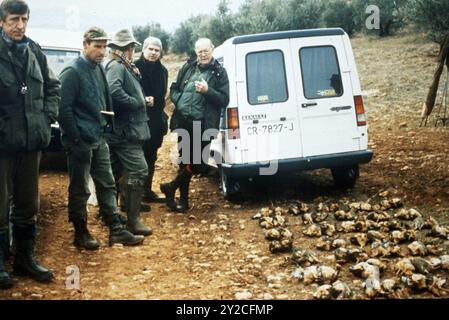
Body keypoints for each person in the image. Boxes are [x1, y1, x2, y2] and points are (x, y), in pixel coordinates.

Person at [58, 26, 145, 250]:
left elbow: (104, 100)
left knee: (107, 183)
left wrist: (106, 128)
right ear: (85, 45)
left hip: (99, 137)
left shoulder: (98, 69)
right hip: (80, 142)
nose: (102, 51)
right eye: (97, 46)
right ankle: (80, 231)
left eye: (105, 46)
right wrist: (76, 139)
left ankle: (115, 229)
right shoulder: (72, 71)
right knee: (80, 188)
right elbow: (63, 110)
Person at [0, 0, 58, 289]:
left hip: (31, 142)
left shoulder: (34, 50)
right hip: (3, 145)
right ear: (1, 22)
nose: (19, 25)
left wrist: (47, 118)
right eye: (13, 19)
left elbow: (53, 87)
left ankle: (24, 259)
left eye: (24, 19)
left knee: (27, 203)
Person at [160, 38, 229, 213]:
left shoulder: (219, 72)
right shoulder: (188, 67)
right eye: (200, 51)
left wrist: (208, 91)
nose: (203, 54)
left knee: (199, 163)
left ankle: (171, 186)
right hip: (184, 121)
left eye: (206, 51)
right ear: (195, 51)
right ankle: (183, 201)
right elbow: (174, 89)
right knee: (185, 161)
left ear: (212, 49)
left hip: (203, 124)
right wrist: (179, 100)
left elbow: (224, 99)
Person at [105, 29, 152, 236]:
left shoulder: (124, 66)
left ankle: (112, 216)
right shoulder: (117, 67)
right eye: (132, 47)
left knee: (115, 173)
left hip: (123, 130)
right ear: (127, 49)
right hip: (127, 132)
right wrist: (136, 102)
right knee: (139, 170)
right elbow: (114, 91)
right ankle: (133, 220)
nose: (133, 51)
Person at [135, 36, 168, 203]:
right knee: (137, 157)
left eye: (157, 50)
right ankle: (135, 195)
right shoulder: (134, 67)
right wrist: (143, 99)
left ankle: (147, 191)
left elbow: (162, 96)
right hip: (138, 120)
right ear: (143, 50)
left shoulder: (163, 71)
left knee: (151, 156)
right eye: (151, 49)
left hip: (155, 121)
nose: (154, 53)